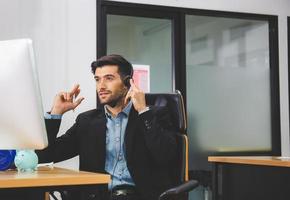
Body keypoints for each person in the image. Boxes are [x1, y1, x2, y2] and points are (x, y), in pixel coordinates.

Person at [37, 54, 178, 200]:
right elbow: (45, 156)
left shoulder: (152, 115)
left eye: (109, 78)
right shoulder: (87, 122)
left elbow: (166, 155)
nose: (101, 86)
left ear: (127, 83)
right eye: (97, 79)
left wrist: (143, 111)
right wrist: (55, 113)